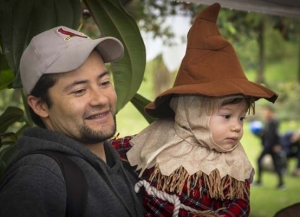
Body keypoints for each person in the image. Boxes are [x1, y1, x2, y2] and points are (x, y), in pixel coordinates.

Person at [113, 3, 278, 217]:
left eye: (241, 118)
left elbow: (240, 206)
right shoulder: (155, 141)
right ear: (192, 112)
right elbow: (111, 152)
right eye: (227, 116)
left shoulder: (234, 163)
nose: (236, 127)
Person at [0, 26, 143, 217]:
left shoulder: (120, 162)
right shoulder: (39, 177)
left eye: (104, 83)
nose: (101, 99)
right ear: (40, 106)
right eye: (79, 91)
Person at [254, 104, 286, 189]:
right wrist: (258, 135)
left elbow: (276, 134)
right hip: (268, 146)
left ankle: (280, 184)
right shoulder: (268, 121)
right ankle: (280, 184)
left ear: (270, 112)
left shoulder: (274, 122)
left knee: (267, 162)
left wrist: (278, 145)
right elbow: (265, 135)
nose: (264, 113)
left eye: (266, 111)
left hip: (272, 147)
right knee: (271, 163)